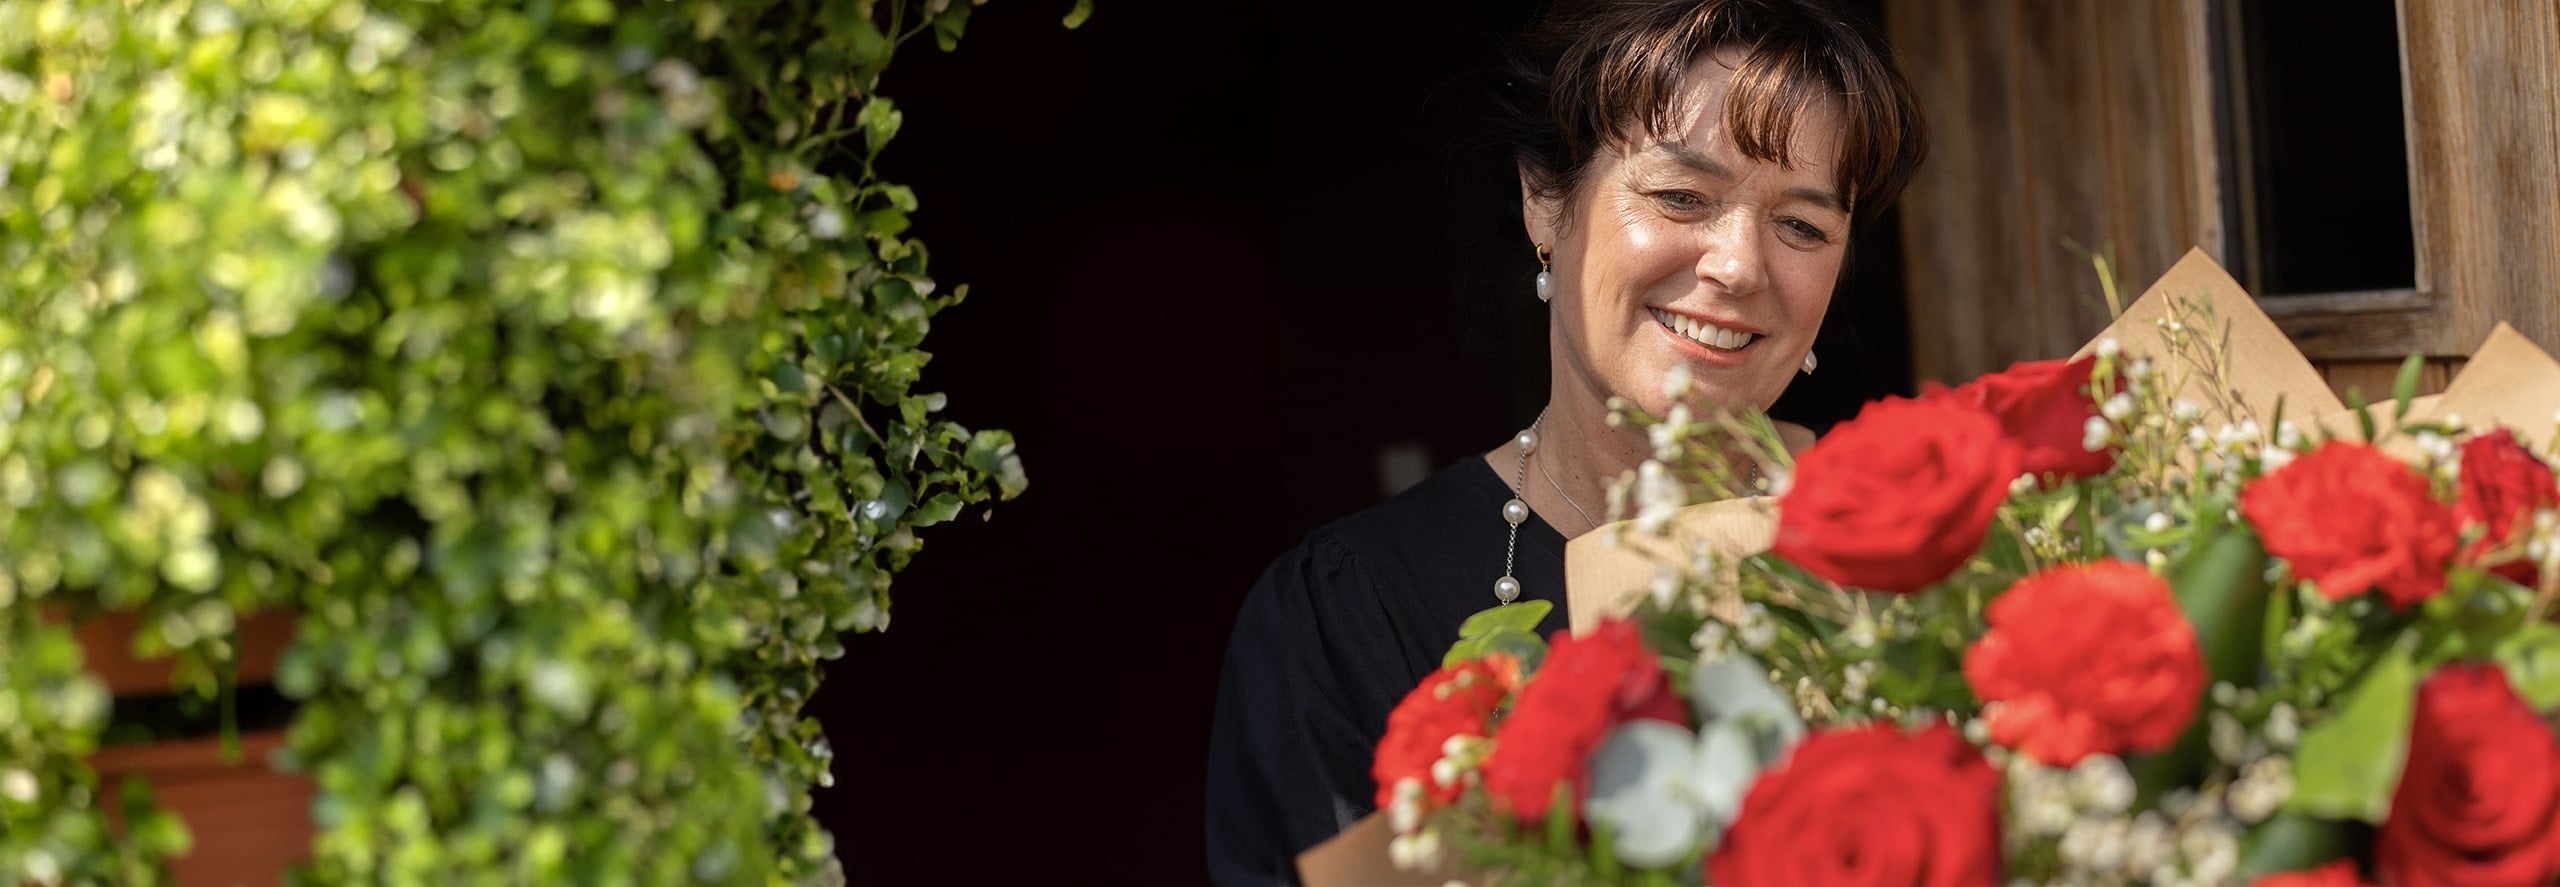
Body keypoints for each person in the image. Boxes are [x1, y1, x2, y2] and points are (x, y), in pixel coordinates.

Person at [1203, 1, 1927, 883]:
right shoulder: (1347, 615)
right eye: (1680, 196)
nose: (1739, 264)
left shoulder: (1931, 552)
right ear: (1545, 201)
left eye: (1803, 226)